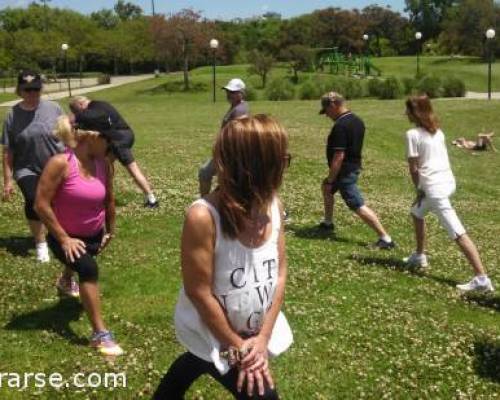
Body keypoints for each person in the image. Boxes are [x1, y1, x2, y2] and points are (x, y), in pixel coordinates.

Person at [154, 115, 293, 399]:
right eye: (282, 158)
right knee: (263, 395)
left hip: (254, 328)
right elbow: (199, 291)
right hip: (215, 329)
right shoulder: (204, 216)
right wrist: (236, 346)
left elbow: (280, 273)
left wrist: (263, 337)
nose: (287, 164)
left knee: (199, 360)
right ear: (257, 166)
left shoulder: (274, 205)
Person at [34, 115, 124, 356]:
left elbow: (109, 199)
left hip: (94, 236)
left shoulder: (103, 163)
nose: (110, 145)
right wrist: (63, 239)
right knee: (88, 270)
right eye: (108, 139)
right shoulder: (60, 163)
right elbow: (41, 204)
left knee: (84, 259)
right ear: (94, 137)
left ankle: (65, 278)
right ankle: (100, 335)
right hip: (64, 236)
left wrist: (110, 230)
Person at [404, 95, 494, 293]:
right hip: (447, 183)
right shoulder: (438, 132)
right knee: (416, 212)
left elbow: (413, 168)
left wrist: (419, 189)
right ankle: (419, 255)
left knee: (457, 232)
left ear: (415, 113)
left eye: (408, 110)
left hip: (433, 189)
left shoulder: (412, 134)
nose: (406, 114)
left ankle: (481, 278)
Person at [318, 92, 395, 249]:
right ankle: (328, 223)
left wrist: (331, 178)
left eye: (326, 111)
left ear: (333, 105)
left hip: (344, 171)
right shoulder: (357, 120)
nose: (326, 115)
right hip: (353, 166)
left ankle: (385, 238)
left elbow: (339, 155)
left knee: (356, 204)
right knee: (326, 189)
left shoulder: (340, 126)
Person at [1, 70, 64, 263]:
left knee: (56, 202)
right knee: (33, 200)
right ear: (19, 90)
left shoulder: (54, 108)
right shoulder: (13, 115)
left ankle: (59, 235)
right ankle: (41, 244)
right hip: (26, 168)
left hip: (54, 165)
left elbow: (68, 135)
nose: (32, 93)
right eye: (27, 89)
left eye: (36, 89)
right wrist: (7, 180)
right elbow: (8, 151)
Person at [69, 96, 158, 208]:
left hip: (119, 140)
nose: (79, 113)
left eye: (77, 110)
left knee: (132, 168)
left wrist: (75, 118)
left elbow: (93, 117)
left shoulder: (96, 108)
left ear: (81, 104)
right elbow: (96, 123)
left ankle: (152, 199)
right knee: (103, 164)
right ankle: (100, 194)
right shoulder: (99, 105)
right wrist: (78, 125)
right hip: (121, 137)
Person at [198, 78, 250, 196]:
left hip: (231, 153)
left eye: (233, 92)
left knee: (205, 172)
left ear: (241, 93)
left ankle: (206, 203)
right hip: (227, 151)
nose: (229, 94)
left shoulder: (240, 110)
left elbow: (237, 133)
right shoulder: (236, 107)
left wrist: (223, 149)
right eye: (228, 91)